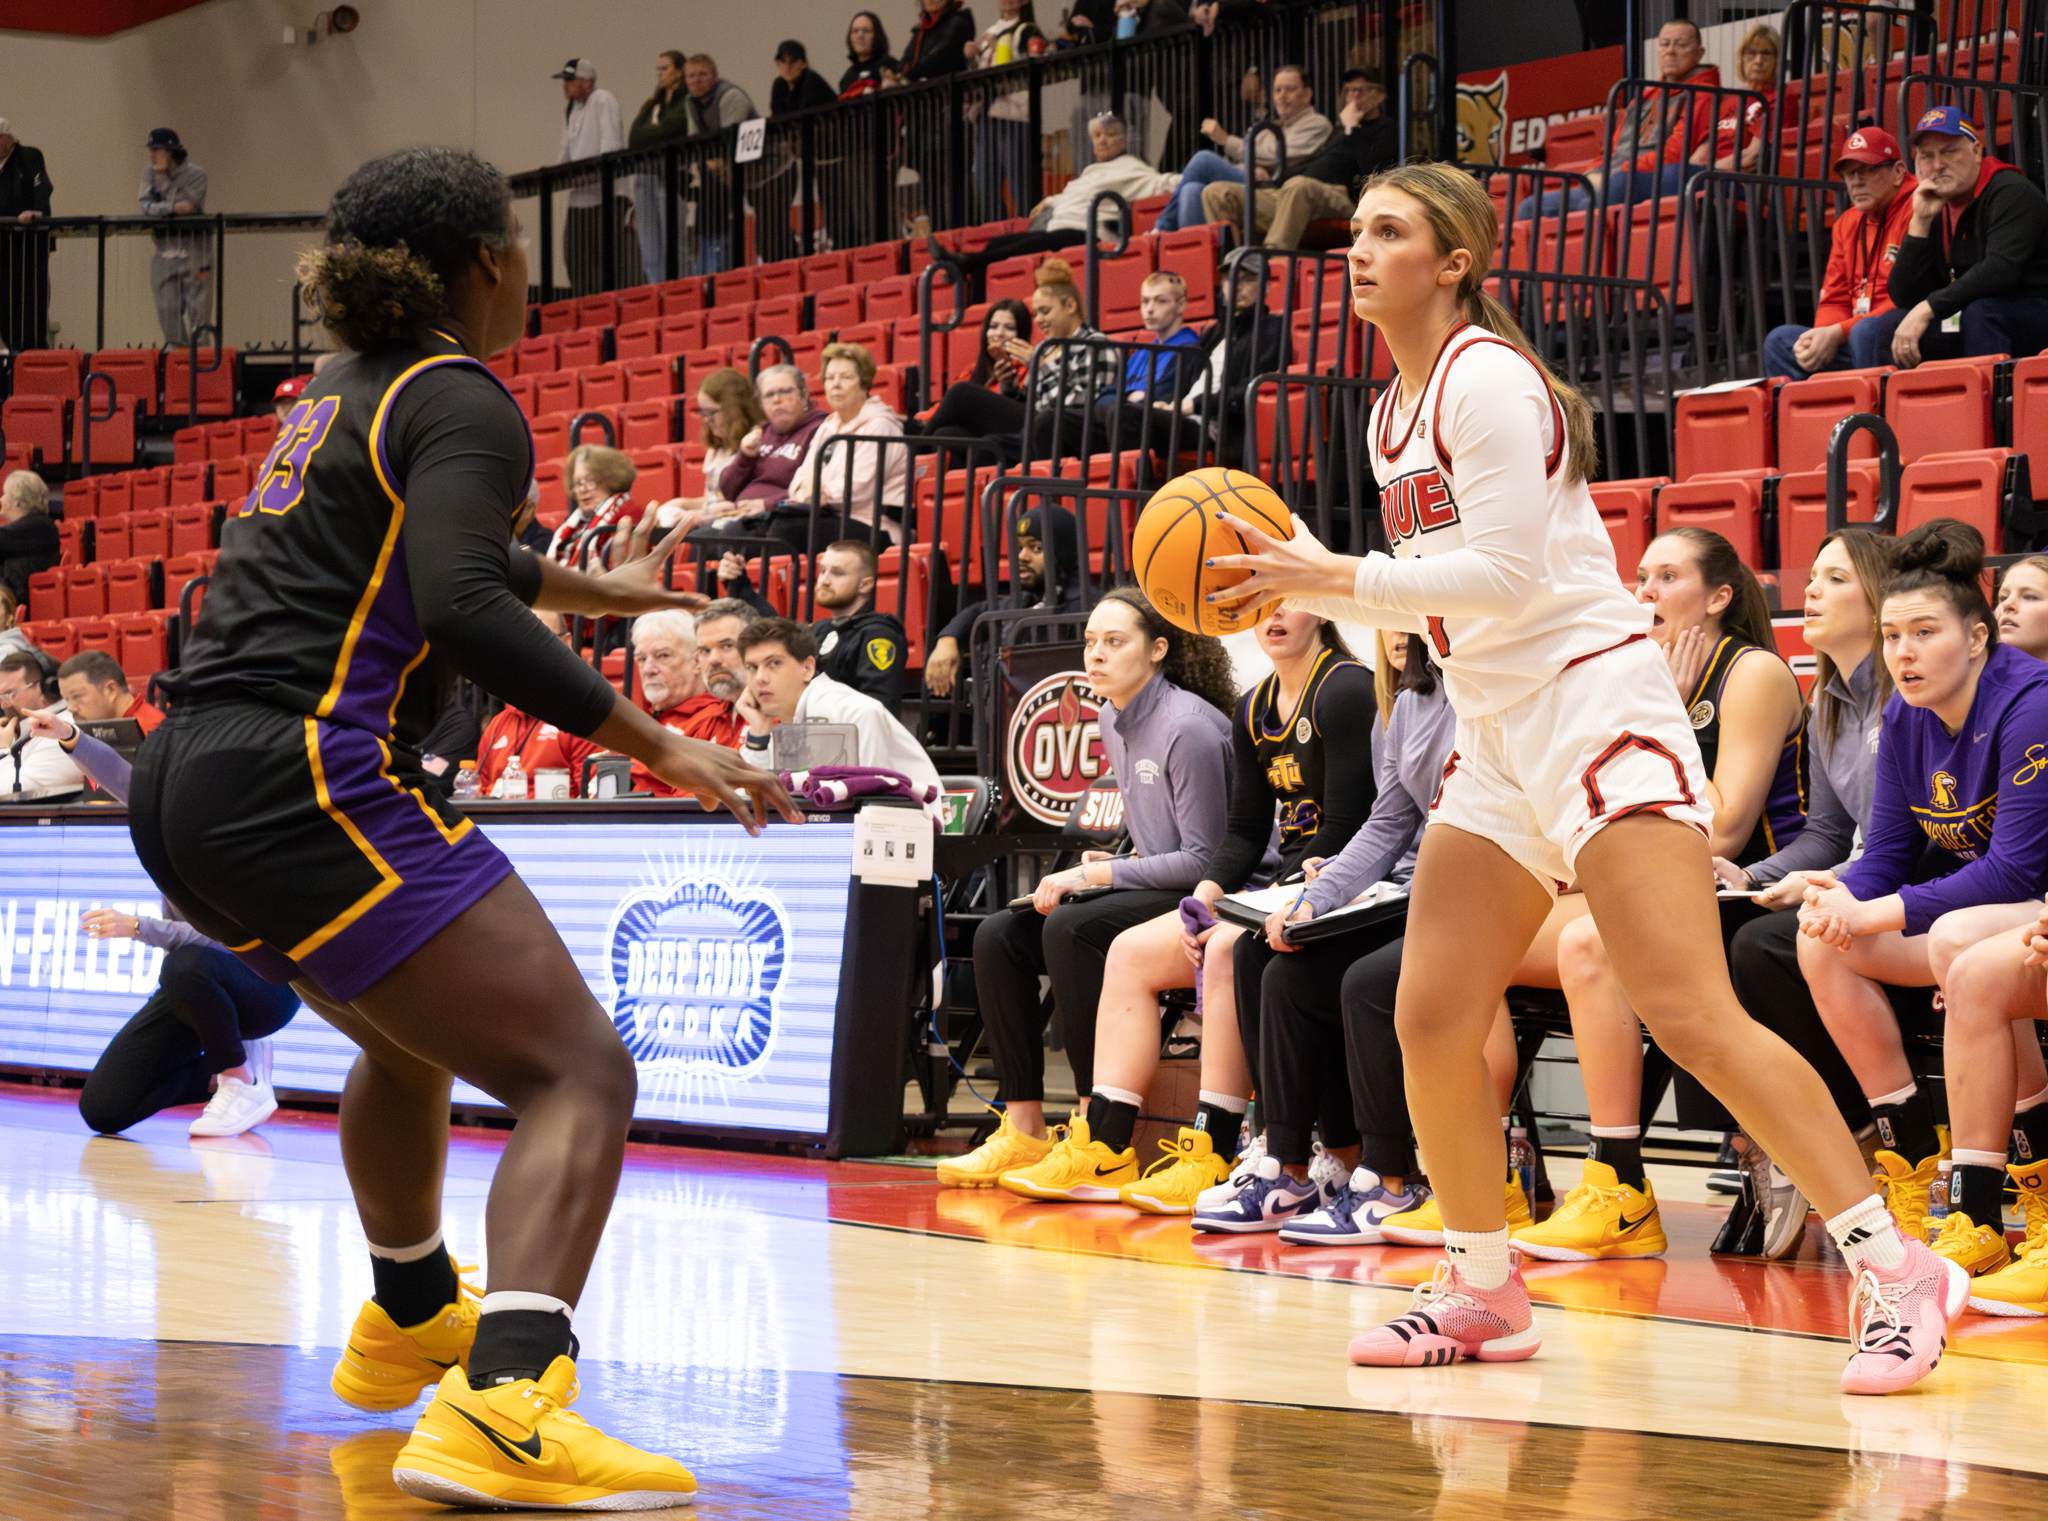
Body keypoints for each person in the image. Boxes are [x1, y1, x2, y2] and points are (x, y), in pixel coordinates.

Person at [1210, 160, 1958, 1395]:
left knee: (1687, 1010)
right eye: (1355, 231)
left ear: (1452, 261)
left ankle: (1895, 1266)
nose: (1358, 249)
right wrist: (1343, 585)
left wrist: (1330, 577)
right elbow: (1454, 600)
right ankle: (1483, 1284)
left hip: (1593, 705)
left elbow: (1504, 578)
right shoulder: (1385, 411)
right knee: (1430, 1009)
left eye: (1389, 231)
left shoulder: (1486, 380)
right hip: (1497, 725)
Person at [128, 145, 795, 1509]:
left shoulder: (340, 391)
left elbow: (459, 559)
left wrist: (612, 593)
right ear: (489, 261)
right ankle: (504, 1401)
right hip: (302, 771)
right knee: (579, 1073)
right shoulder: (466, 396)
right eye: (521, 254)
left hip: (183, 775)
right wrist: (658, 738)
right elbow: (464, 604)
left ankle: (418, 1304)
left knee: (403, 1037)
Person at [1003, 608, 1375, 1215]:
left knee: (1229, 948)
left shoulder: (1347, 688)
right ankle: (1105, 1139)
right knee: (1128, 952)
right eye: (1264, 603)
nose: (1275, 614)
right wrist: (1204, 896)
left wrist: (1257, 904)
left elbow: (1347, 824)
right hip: (1277, 886)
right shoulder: (1254, 705)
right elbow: (1245, 831)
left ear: (1323, 603)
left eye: (1290, 598)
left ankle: (1215, 1147)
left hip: (1345, 879)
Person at [1526, 527, 1808, 1262]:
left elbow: (1726, 826)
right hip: (1660, 880)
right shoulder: (1633, 673)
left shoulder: (1751, 673)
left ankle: (1618, 1179)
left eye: (1666, 577)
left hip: (1754, 888)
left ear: (1719, 597)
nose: (1644, 592)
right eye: (1640, 577)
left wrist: (1669, 714)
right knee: (1478, 942)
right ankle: (1498, 1170)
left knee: (1590, 942)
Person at [1795, 521, 2048, 1247]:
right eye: (1892, 635)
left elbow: (2014, 870)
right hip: (1985, 924)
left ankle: (2032, 1179)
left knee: (1957, 937)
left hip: (2031, 910)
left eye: (1924, 632)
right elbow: (1889, 850)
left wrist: (1878, 909)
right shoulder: (1905, 711)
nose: (1903, 653)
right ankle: (1908, 1156)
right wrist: (1842, 903)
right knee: (1823, 944)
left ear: (1975, 639)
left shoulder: (2029, 702)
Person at [944, 588, 1238, 1186]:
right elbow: (1160, 839)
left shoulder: (1189, 728)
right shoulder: (1111, 714)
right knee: (1001, 933)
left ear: (1158, 649)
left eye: (1114, 641)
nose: (1094, 655)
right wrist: (1117, 857)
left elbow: (1206, 859)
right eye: (1090, 641)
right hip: (1160, 878)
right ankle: (1024, 1125)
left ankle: (1093, 1130)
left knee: (1071, 928)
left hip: (1212, 893)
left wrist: (1096, 874)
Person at [1720, 529, 1898, 1258]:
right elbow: (1828, 831)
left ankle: (1845, 1130)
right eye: (1812, 576)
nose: (1811, 591)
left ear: (1877, 595)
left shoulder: (1907, 693)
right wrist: (1752, 876)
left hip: (1900, 889)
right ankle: (1775, 1138)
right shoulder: (1824, 696)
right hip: (1847, 882)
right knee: (1718, 928)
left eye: (1835, 578)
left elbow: (1899, 843)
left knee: (1766, 945)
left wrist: (1823, 884)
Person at [1252, 631, 1460, 1246]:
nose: (1402, 629)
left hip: (1488, 890)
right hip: (1416, 889)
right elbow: (1388, 823)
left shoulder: (1497, 692)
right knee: (1288, 972)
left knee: (1369, 983)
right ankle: (1287, 1167)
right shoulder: (1408, 704)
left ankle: (1390, 1178)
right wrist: (1315, 898)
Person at [25, 713, 299, 1138]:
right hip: (197, 986)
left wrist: (140, 927)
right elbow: (119, 774)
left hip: (265, 986)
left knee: (184, 964)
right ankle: (228, 1069)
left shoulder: (250, 839)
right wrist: (70, 736)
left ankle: (239, 1079)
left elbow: (235, 942)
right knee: (105, 1108)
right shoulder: (173, 815)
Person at [1856, 107, 2048, 370]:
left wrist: (1927, 308)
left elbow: (2001, 271)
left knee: (1981, 314)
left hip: (2032, 311)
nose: (1936, 165)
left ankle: (1994, 408)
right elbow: (1903, 295)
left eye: (1949, 151)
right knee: (1893, 324)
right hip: (1969, 315)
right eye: (1926, 156)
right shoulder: (1933, 206)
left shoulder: (2012, 191)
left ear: (1977, 151)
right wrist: (1919, 223)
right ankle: (1908, 409)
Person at [933, 114, 1178, 297]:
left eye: (1110, 135)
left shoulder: (1134, 169)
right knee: (995, 244)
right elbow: (1070, 196)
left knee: (1025, 245)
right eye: (1097, 136)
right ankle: (975, 305)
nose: (1103, 142)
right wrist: (1049, 200)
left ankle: (963, 261)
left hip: (1086, 233)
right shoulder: (1090, 172)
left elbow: (1164, 182)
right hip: (1059, 230)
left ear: (1123, 139)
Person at [911, 260, 1119, 462]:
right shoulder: (1047, 348)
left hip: (1058, 430)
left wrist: (1041, 366)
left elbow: (1078, 405)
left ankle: (911, 456)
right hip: (1030, 427)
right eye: (1036, 313)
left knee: (962, 393)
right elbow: (1029, 401)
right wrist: (1010, 387)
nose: (1038, 320)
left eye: (1045, 311)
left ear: (1070, 306)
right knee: (950, 434)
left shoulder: (1096, 346)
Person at [1516, 20, 1717, 218]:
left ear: (1699, 53)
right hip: (1613, 178)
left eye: (1681, 45)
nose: (1670, 51)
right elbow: (1610, 149)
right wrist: (1595, 171)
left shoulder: (1702, 95)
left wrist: (1618, 171)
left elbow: (1676, 152)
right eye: (1665, 44)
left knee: (1597, 201)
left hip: (1645, 181)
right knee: (1530, 207)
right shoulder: (1643, 98)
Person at [1763, 129, 1915, 379]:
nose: (1856, 181)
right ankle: (1815, 417)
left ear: (1898, 172)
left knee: (1866, 332)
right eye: (1849, 174)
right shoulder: (1847, 223)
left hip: (1899, 333)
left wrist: (1838, 333)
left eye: (1866, 170)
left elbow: (1911, 294)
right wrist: (1822, 337)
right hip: (1854, 334)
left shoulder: (1918, 208)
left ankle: (1874, 416)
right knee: (1779, 342)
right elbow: (1834, 298)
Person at [736, 616, 941, 799]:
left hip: (920, 829)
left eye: (773, 664)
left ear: (807, 668)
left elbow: (873, 798)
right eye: (752, 668)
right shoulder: (782, 722)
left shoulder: (843, 707)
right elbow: (750, 798)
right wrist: (759, 735)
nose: (760, 678)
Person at [1199, 67, 1398, 249]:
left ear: (1380, 96)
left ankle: (1268, 265)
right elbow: (1321, 162)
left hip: (1342, 197)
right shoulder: (1340, 130)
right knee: (1216, 192)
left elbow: (1371, 171)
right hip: (1297, 194)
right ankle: (1230, 272)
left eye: (1362, 91)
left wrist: (1352, 129)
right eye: (1351, 91)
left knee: (1298, 186)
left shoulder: (1387, 129)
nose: (1355, 97)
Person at [724, 538, 910, 706]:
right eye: (822, 571)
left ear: (865, 584)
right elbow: (777, 633)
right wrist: (740, 586)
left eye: (837, 573)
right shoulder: (822, 629)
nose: (824, 580)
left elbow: (877, 707)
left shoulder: (878, 635)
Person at [1156, 64, 1333, 234]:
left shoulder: (1317, 124)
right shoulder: (1269, 127)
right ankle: (1198, 260)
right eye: (1278, 90)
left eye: (1290, 89)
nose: (1282, 96)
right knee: (1191, 190)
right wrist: (1250, 166)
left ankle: (1162, 228)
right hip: (1255, 182)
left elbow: (1278, 156)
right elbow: (1248, 158)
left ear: (1306, 95)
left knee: (1204, 161)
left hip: (1278, 192)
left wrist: (1227, 140)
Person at [926, 502, 1079, 698]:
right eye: (1019, 547)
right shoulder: (1029, 599)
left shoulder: (1085, 607)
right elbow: (981, 610)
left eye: (1036, 548)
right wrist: (947, 640)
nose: (1022, 557)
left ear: (1062, 554)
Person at [780, 342, 908, 556]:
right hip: (832, 517)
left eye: (846, 378)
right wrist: (811, 493)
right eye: (830, 378)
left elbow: (859, 488)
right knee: (760, 528)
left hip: (874, 526)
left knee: (786, 529)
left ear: (864, 384)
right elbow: (798, 481)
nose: (835, 385)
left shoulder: (880, 425)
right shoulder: (828, 427)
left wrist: (821, 492)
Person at [1179, 253, 1288, 459]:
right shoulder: (1214, 332)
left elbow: (1254, 387)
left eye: (1247, 279)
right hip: (1189, 416)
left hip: (1221, 425)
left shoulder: (1272, 329)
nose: (1237, 286)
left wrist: (1196, 404)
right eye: (1231, 279)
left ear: (1266, 287)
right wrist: (1166, 403)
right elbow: (1188, 381)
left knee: (1127, 418)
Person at [702, 365, 828, 535]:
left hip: (781, 519)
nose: (777, 399)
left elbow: (812, 491)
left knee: (731, 534)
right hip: (741, 517)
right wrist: (744, 457)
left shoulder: (819, 430)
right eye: (769, 395)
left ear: (804, 395)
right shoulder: (761, 433)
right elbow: (728, 491)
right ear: (761, 403)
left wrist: (767, 504)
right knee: (689, 540)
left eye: (785, 391)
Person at [551, 60, 631, 297]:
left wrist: (601, 172)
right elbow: (566, 148)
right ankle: (584, 305)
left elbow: (611, 140)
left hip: (607, 196)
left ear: (586, 81)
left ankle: (605, 304)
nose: (565, 87)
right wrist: (555, 174)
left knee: (605, 258)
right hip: (580, 198)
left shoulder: (603, 99)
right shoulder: (572, 110)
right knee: (575, 257)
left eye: (570, 81)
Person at [658, 367, 764, 534]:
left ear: (734, 410)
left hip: (736, 525)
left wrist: (702, 514)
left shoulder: (755, 442)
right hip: (712, 522)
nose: (706, 420)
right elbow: (713, 499)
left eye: (712, 413)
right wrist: (682, 504)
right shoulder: (718, 447)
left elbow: (742, 501)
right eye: (703, 413)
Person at [967, 1, 1041, 222]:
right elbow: (978, 71)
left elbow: (1033, 60)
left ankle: (1027, 235)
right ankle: (1001, 235)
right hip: (985, 114)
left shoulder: (1027, 29)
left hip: (1012, 114)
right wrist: (970, 57)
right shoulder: (990, 30)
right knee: (984, 187)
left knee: (1020, 185)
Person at [627, 52, 695, 286]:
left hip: (672, 178)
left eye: (665, 68)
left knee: (674, 246)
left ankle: (685, 292)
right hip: (645, 176)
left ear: (679, 71)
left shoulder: (687, 101)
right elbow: (635, 137)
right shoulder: (652, 104)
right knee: (649, 251)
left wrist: (653, 135)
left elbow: (676, 128)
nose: (660, 74)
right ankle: (659, 296)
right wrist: (656, 136)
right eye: (658, 69)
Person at [140, 128, 211, 347]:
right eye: (150, 150)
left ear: (171, 151)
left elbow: (189, 206)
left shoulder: (196, 174)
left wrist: (164, 194)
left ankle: (202, 363)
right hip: (165, 249)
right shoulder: (149, 173)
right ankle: (178, 357)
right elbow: (145, 205)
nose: (152, 155)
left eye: (156, 150)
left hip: (195, 251)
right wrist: (170, 206)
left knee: (198, 310)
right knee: (166, 307)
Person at [1692, 23, 1777, 176]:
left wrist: (1707, 171)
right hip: (1709, 176)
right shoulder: (1731, 100)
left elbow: (1753, 156)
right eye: (1751, 53)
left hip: (1738, 181)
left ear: (1778, 60)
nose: (1758, 60)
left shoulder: (1777, 99)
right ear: (1742, 59)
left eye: (1766, 54)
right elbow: (1700, 155)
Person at [0, 117, 55, 353]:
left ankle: (33, 360)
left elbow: (41, 186)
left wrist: (36, 212)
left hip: (27, 248)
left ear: (7, 138)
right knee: (5, 312)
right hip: (3, 248)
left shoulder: (29, 157)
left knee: (29, 311)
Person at [547, 444, 646, 571]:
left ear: (612, 478)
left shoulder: (629, 515)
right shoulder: (575, 524)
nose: (582, 490)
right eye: (577, 483)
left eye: (590, 480)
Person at [0, 648, 85, 796]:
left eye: (10, 694)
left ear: (47, 688)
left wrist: (3, 749)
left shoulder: (63, 731)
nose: (4, 705)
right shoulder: (18, 729)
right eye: (1, 697)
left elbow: (17, 792)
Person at [57, 649, 164, 732]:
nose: (70, 708)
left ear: (110, 690)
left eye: (76, 696)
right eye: (67, 700)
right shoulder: (100, 727)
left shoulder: (154, 731)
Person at [0, 468, 60, 603]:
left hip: (18, 609)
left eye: (4, 494)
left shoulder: (41, 527)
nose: (1, 499)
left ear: (18, 500)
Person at [901, 0, 979, 81]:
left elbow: (937, 59)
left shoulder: (958, 23)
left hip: (951, 89)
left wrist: (909, 72)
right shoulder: (921, 31)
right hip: (929, 90)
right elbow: (905, 61)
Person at [839, 11, 899, 97]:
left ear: (877, 36)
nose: (860, 35)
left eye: (866, 31)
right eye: (855, 31)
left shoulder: (890, 66)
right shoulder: (847, 78)